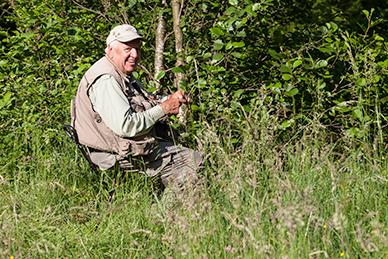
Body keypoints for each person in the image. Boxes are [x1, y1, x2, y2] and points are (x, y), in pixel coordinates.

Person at [71, 24, 203, 195]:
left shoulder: (120, 72)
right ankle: (166, 218)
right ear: (111, 49)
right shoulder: (106, 79)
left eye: (137, 49)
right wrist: (164, 109)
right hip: (113, 154)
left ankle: (165, 208)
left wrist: (169, 99)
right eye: (128, 49)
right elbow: (126, 126)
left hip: (124, 146)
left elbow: (143, 100)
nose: (134, 55)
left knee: (179, 150)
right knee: (193, 161)